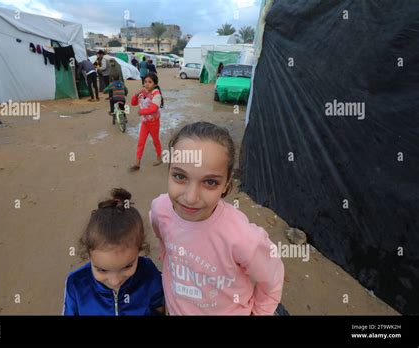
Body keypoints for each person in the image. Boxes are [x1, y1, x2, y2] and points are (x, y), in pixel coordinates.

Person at [149, 122, 285, 315]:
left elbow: (271, 278)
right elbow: (160, 233)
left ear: (227, 183)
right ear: (169, 170)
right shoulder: (160, 209)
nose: (191, 197)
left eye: (210, 182)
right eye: (180, 176)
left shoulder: (244, 238)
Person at [63, 188, 164, 316]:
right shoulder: (76, 284)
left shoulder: (149, 274)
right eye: (102, 270)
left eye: (127, 266)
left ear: (139, 249)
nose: (114, 281)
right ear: (88, 254)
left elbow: (159, 307)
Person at [129, 73, 164, 171]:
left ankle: (159, 157)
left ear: (155, 84)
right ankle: (137, 161)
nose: (147, 84)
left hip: (154, 123)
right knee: (141, 141)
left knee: (155, 140)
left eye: (150, 82)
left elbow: (153, 108)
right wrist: (136, 94)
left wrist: (141, 111)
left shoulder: (156, 95)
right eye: (145, 82)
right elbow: (133, 103)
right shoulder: (142, 93)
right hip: (145, 123)